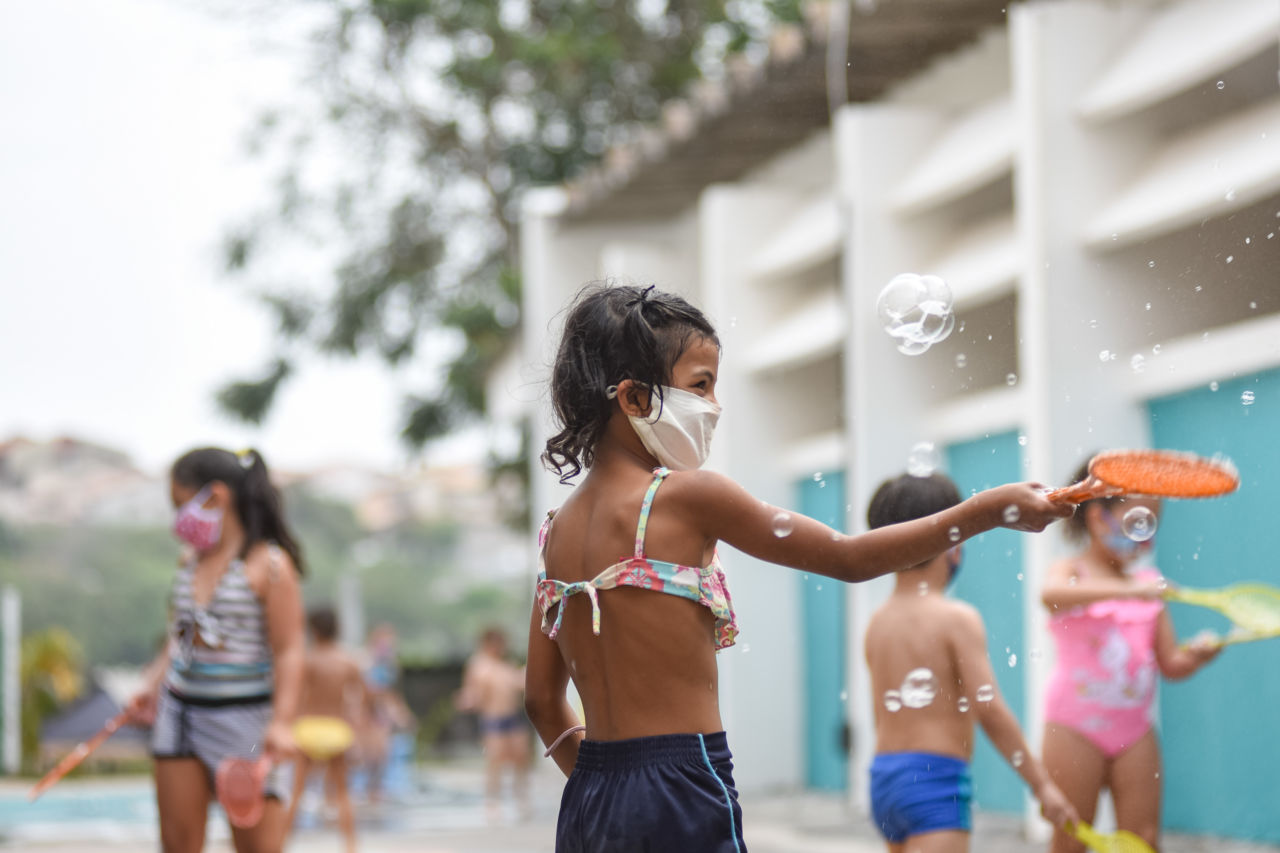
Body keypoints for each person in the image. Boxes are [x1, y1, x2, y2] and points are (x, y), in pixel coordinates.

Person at [522, 283, 1073, 852]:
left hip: (591, 796)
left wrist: (610, 790)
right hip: (682, 781)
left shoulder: (557, 532)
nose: (714, 406)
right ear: (634, 400)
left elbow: (541, 699)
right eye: (701, 385)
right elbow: (849, 557)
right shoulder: (689, 497)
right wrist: (989, 509)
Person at [863, 472, 1078, 852]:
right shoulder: (956, 618)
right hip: (935, 779)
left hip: (885, 778)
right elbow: (989, 709)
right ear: (951, 538)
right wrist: (1041, 784)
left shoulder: (878, 622)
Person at [127, 447, 305, 853]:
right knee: (178, 845)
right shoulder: (188, 560)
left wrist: (282, 722)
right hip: (181, 715)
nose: (178, 517)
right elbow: (181, 636)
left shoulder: (270, 565)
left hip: (247, 724)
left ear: (217, 496)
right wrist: (150, 684)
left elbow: (290, 649)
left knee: (258, 847)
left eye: (181, 503)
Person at [1040, 459, 1220, 852]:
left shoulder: (1147, 587)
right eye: (1140, 521)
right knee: (1071, 840)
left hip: (1135, 731)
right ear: (1097, 517)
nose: (1147, 537)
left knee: (1145, 841)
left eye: (1153, 523)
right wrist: (1128, 593)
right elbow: (1050, 597)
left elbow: (1170, 663)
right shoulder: (1070, 570)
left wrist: (1200, 655)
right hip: (1074, 727)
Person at [286, 606, 367, 853]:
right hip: (336, 730)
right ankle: (350, 846)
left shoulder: (307, 660)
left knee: (296, 791)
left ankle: (281, 843)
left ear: (313, 630)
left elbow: (296, 699)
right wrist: (357, 729)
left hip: (309, 728)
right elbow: (362, 698)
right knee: (342, 792)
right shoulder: (349, 662)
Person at [456, 627, 532, 821]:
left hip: (512, 717)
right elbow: (472, 691)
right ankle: (492, 802)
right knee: (495, 761)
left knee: (521, 757)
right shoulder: (479, 664)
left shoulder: (505, 664)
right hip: (493, 719)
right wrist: (468, 699)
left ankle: (520, 797)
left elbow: (518, 684)